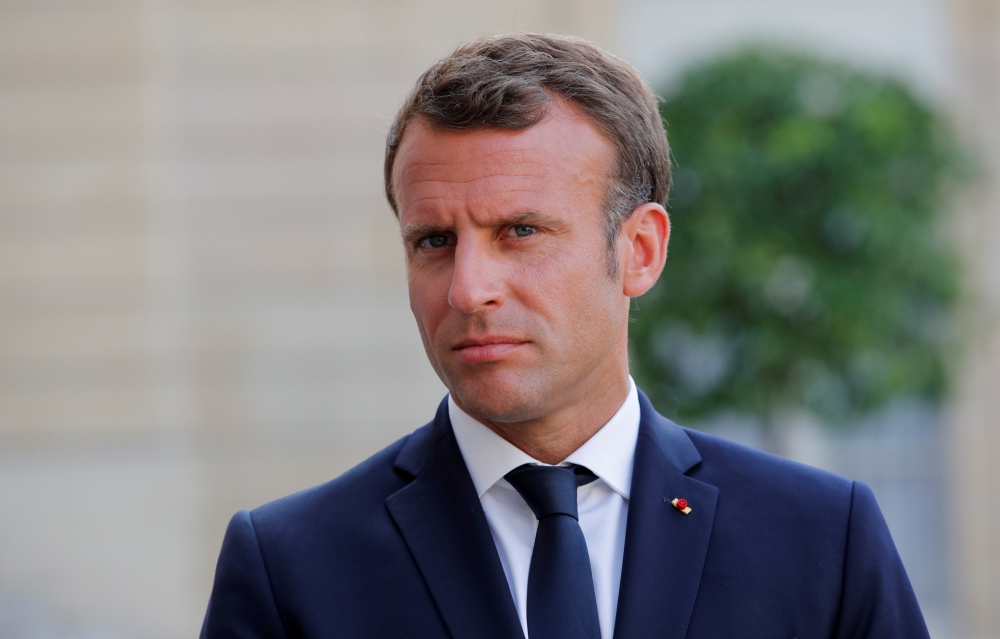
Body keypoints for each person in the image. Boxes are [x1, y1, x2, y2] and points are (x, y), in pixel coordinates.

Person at [200, 33, 929, 639]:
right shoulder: (291, 569)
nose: (467, 287)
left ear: (639, 250)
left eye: (520, 231)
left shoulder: (822, 541)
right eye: (432, 241)